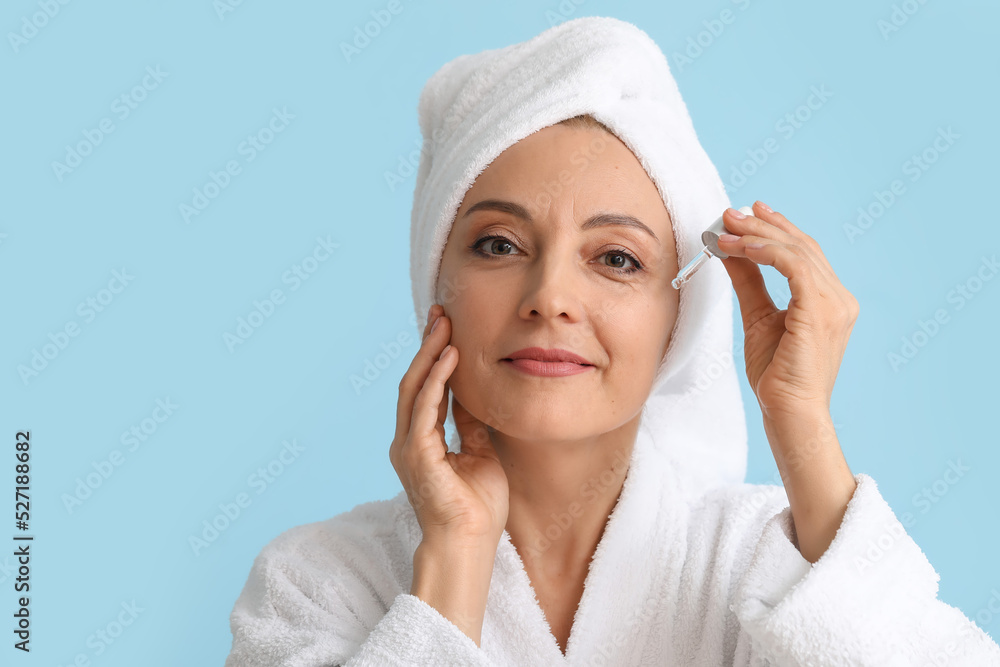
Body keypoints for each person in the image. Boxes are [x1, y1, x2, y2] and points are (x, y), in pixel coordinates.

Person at [224, 17, 1000, 666]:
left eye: (617, 258)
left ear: (680, 314)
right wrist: (455, 559)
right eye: (498, 244)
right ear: (436, 285)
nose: (551, 298)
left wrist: (803, 429)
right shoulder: (316, 579)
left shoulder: (759, 566)